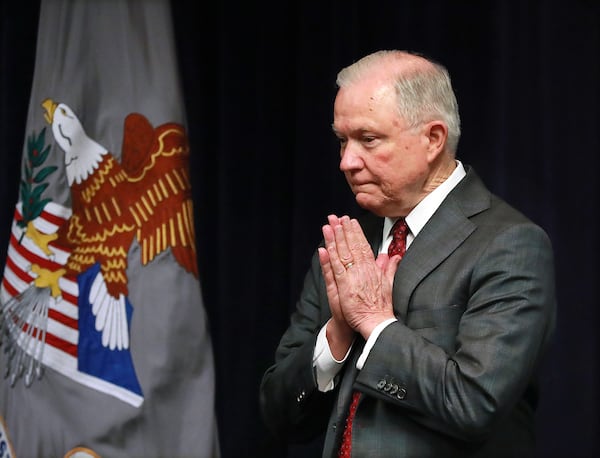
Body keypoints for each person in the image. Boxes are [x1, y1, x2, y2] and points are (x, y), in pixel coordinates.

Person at [259, 49, 557, 457]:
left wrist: (374, 324)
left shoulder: (510, 244)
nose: (347, 161)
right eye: (342, 140)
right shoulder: (347, 246)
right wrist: (338, 336)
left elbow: (474, 404)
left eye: (368, 139)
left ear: (432, 139)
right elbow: (278, 413)